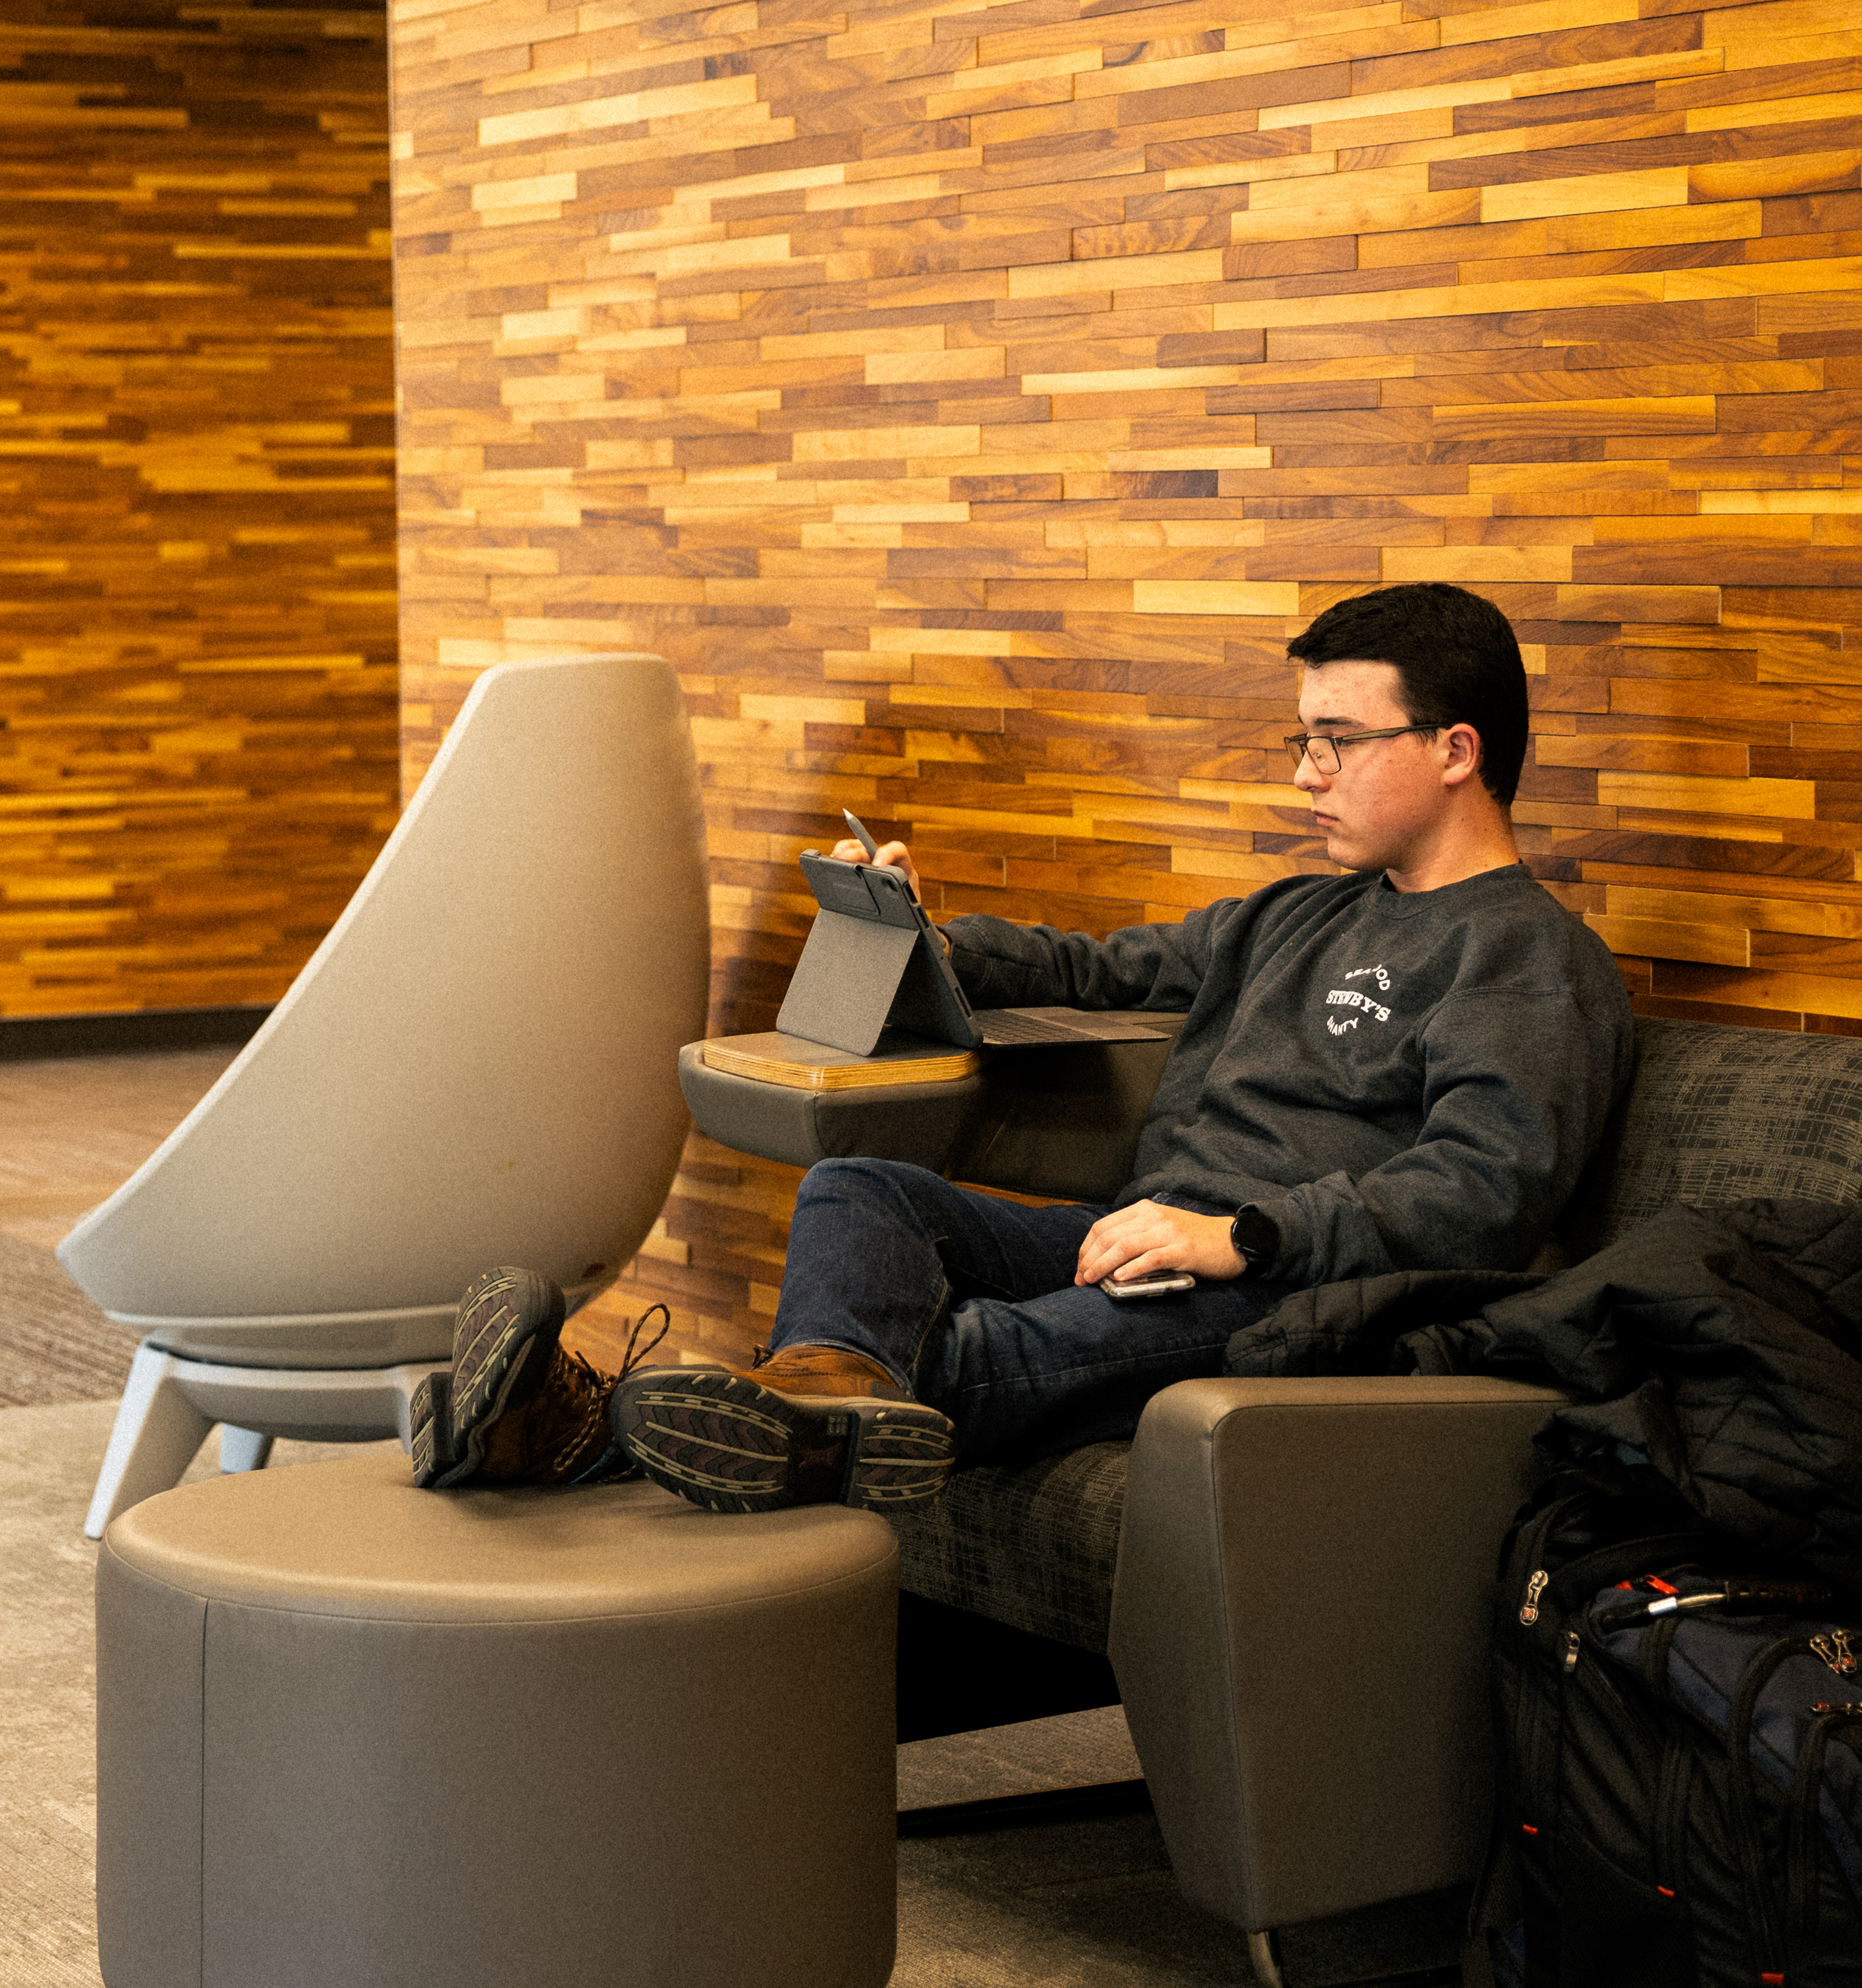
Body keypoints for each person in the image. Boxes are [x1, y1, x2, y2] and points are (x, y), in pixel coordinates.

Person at [421, 583, 1637, 1512]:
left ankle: (582, 1427)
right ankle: (792, 1401)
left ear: (1454, 750)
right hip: (1158, 1239)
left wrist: (1236, 1235)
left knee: (971, 1356)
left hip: (1303, 1302)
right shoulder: (1298, 910)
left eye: (1336, 742)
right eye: (1300, 744)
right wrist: (914, 933)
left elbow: (1481, 1193)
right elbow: (1088, 968)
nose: (1304, 777)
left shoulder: (1524, 956)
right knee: (862, 1193)